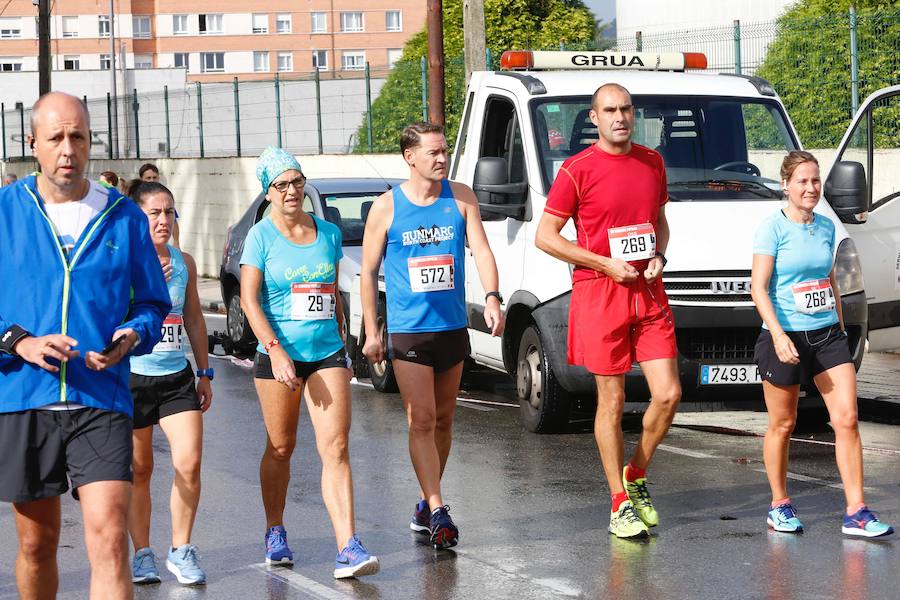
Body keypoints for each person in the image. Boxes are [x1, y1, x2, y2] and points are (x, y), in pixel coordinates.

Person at [0, 92, 170, 599]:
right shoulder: (6, 212)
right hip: (24, 397)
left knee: (112, 538)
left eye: (78, 136)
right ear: (33, 144)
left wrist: (132, 334)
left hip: (101, 398)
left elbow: (153, 305)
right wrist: (21, 343)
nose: (67, 149)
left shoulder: (123, 216)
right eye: (55, 137)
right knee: (37, 544)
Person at [534, 83, 681, 539]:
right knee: (612, 401)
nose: (620, 117)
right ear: (594, 118)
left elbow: (659, 223)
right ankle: (618, 502)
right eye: (610, 110)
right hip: (601, 292)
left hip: (649, 291)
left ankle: (634, 474)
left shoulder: (652, 161)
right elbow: (546, 235)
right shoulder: (577, 170)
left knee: (669, 394)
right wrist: (603, 263)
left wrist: (658, 255)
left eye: (627, 109)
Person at [361, 122, 504, 550]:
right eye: (434, 152)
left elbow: (481, 249)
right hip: (408, 332)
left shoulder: (460, 197)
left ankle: (426, 501)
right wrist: (373, 332)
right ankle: (439, 508)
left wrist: (493, 297)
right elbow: (368, 272)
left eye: (444, 152)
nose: (442, 159)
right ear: (410, 157)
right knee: (420, 419)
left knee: (443, 421)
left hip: (451, 329)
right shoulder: (386, 208)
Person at [240, 146, 379, 578]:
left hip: (326, 353)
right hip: (278, 354)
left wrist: (344, 337)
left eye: (298, 182)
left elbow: (332, 289)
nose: (292, 191)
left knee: (336, 447)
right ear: (267, 192)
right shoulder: (260, 237)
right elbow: (248, 299)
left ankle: (348, 547)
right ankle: (275, 528)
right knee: (281, 447)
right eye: (281, 185)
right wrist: (274, 348)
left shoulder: (327, 232)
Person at [750, 150, 894, 538]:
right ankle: (779, 504)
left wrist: (841, 330)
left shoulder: (827, 226)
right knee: (783, 423)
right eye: (803, 181)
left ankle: (856, 511)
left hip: (828, 334)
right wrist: (778, 335)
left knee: (846, 418)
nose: (811, 188)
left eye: (815, 181)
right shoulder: (772, 228)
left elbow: (830, 280)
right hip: (786, 336)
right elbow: (758, 288)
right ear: (786, 186)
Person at [127, 182, 214, 586]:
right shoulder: (123, 263)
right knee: (139, 468)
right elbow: (107, 315)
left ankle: (181, 549)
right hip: (131, 376)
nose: (164, 220)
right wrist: (145, 286)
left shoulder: (184, 262)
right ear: (136, 217)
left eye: (170, 212)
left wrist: (204, 370)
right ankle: (142, 554)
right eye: (155, 213)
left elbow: (193, 317)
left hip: (176, 377)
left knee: (189, 462)